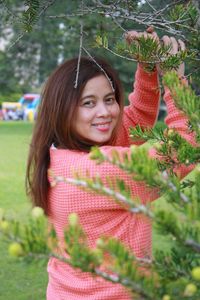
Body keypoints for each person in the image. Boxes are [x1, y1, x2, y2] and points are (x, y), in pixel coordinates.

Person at [26, 32, 195, 299]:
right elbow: (189, 144)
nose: (105, 112)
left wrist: (147, 66)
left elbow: (136, 120)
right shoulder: (101, 170)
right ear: (62, 109)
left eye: (109, 99)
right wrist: (174, 78)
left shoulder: (59, 155)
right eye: (88, 103)